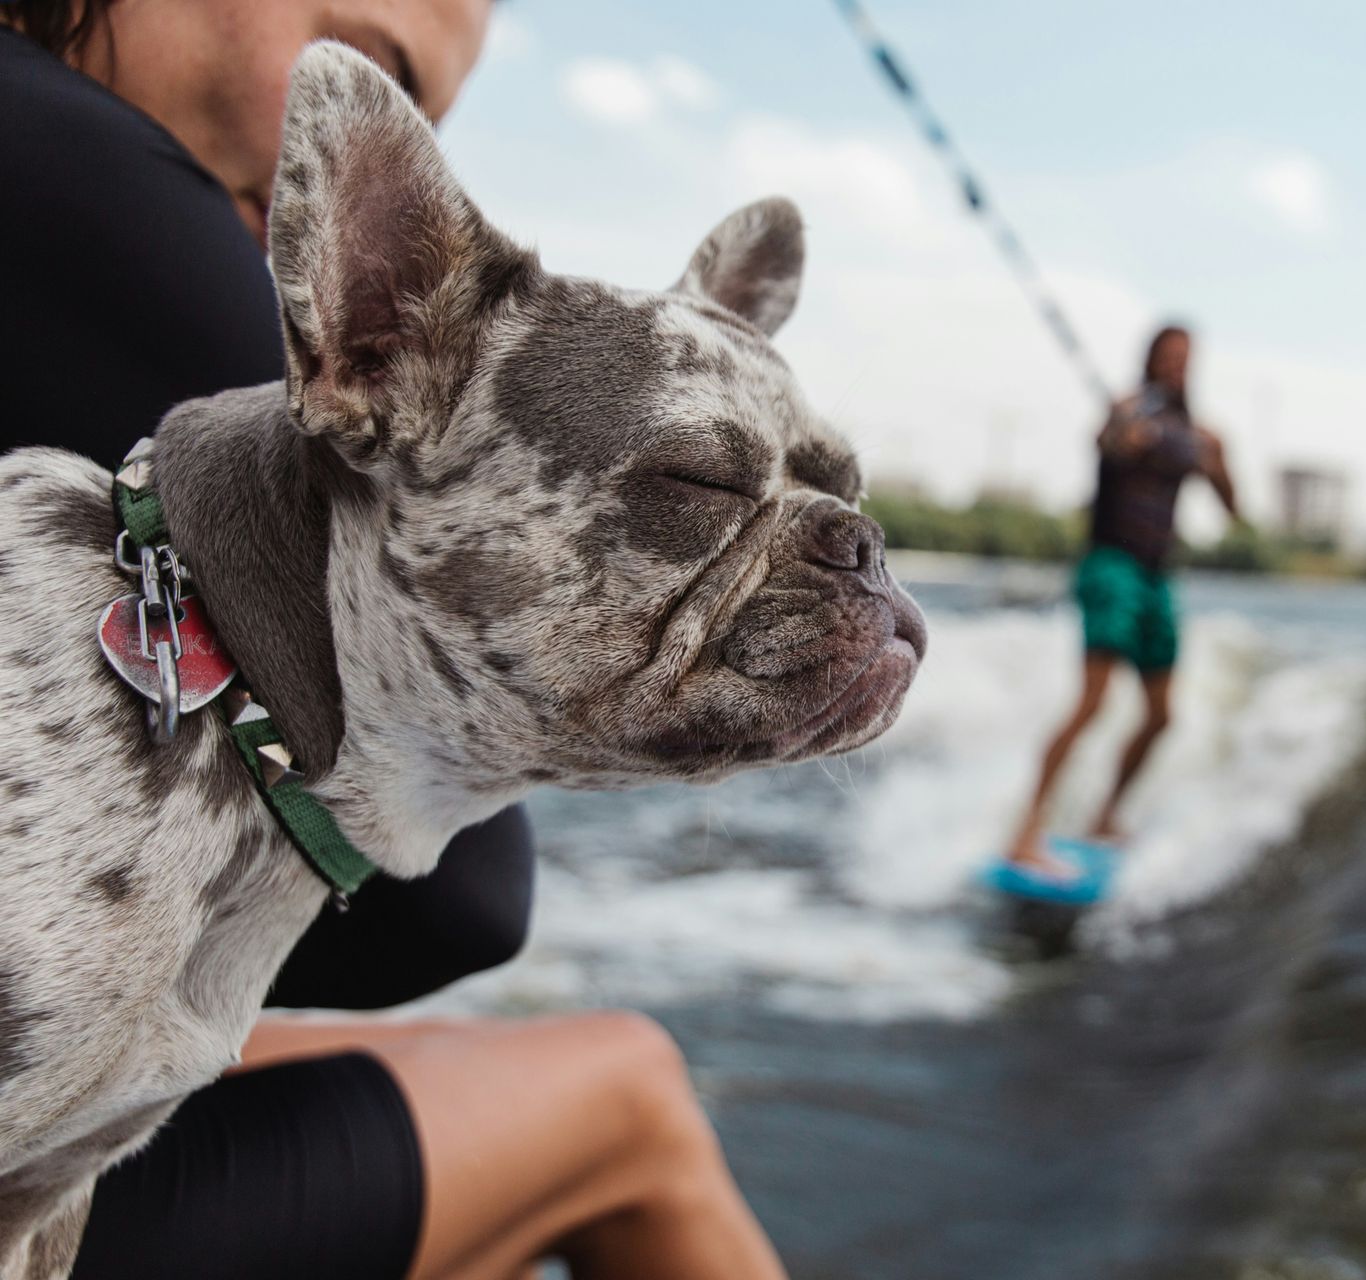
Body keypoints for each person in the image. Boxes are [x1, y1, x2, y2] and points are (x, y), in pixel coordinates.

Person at [0, 3, 786, 1277]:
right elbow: (463, 900)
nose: (378, 159)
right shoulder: (75, 161)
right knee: (630, 1095)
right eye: (373, 71)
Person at [1006, 325, 1239, 872]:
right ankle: (1025, 834)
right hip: (1111, 566)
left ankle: (1103, 816)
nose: (1178, 366)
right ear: (1151, 360)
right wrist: (1121, 432)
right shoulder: (1127, 413)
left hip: (1159, 579)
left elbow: (1233, 507)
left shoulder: (1197, 436)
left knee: (1161, 716)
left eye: (1186, 358)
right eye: (1168, 356)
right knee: (1093, 704)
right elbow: (1105, 442)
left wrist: (1219, 462)